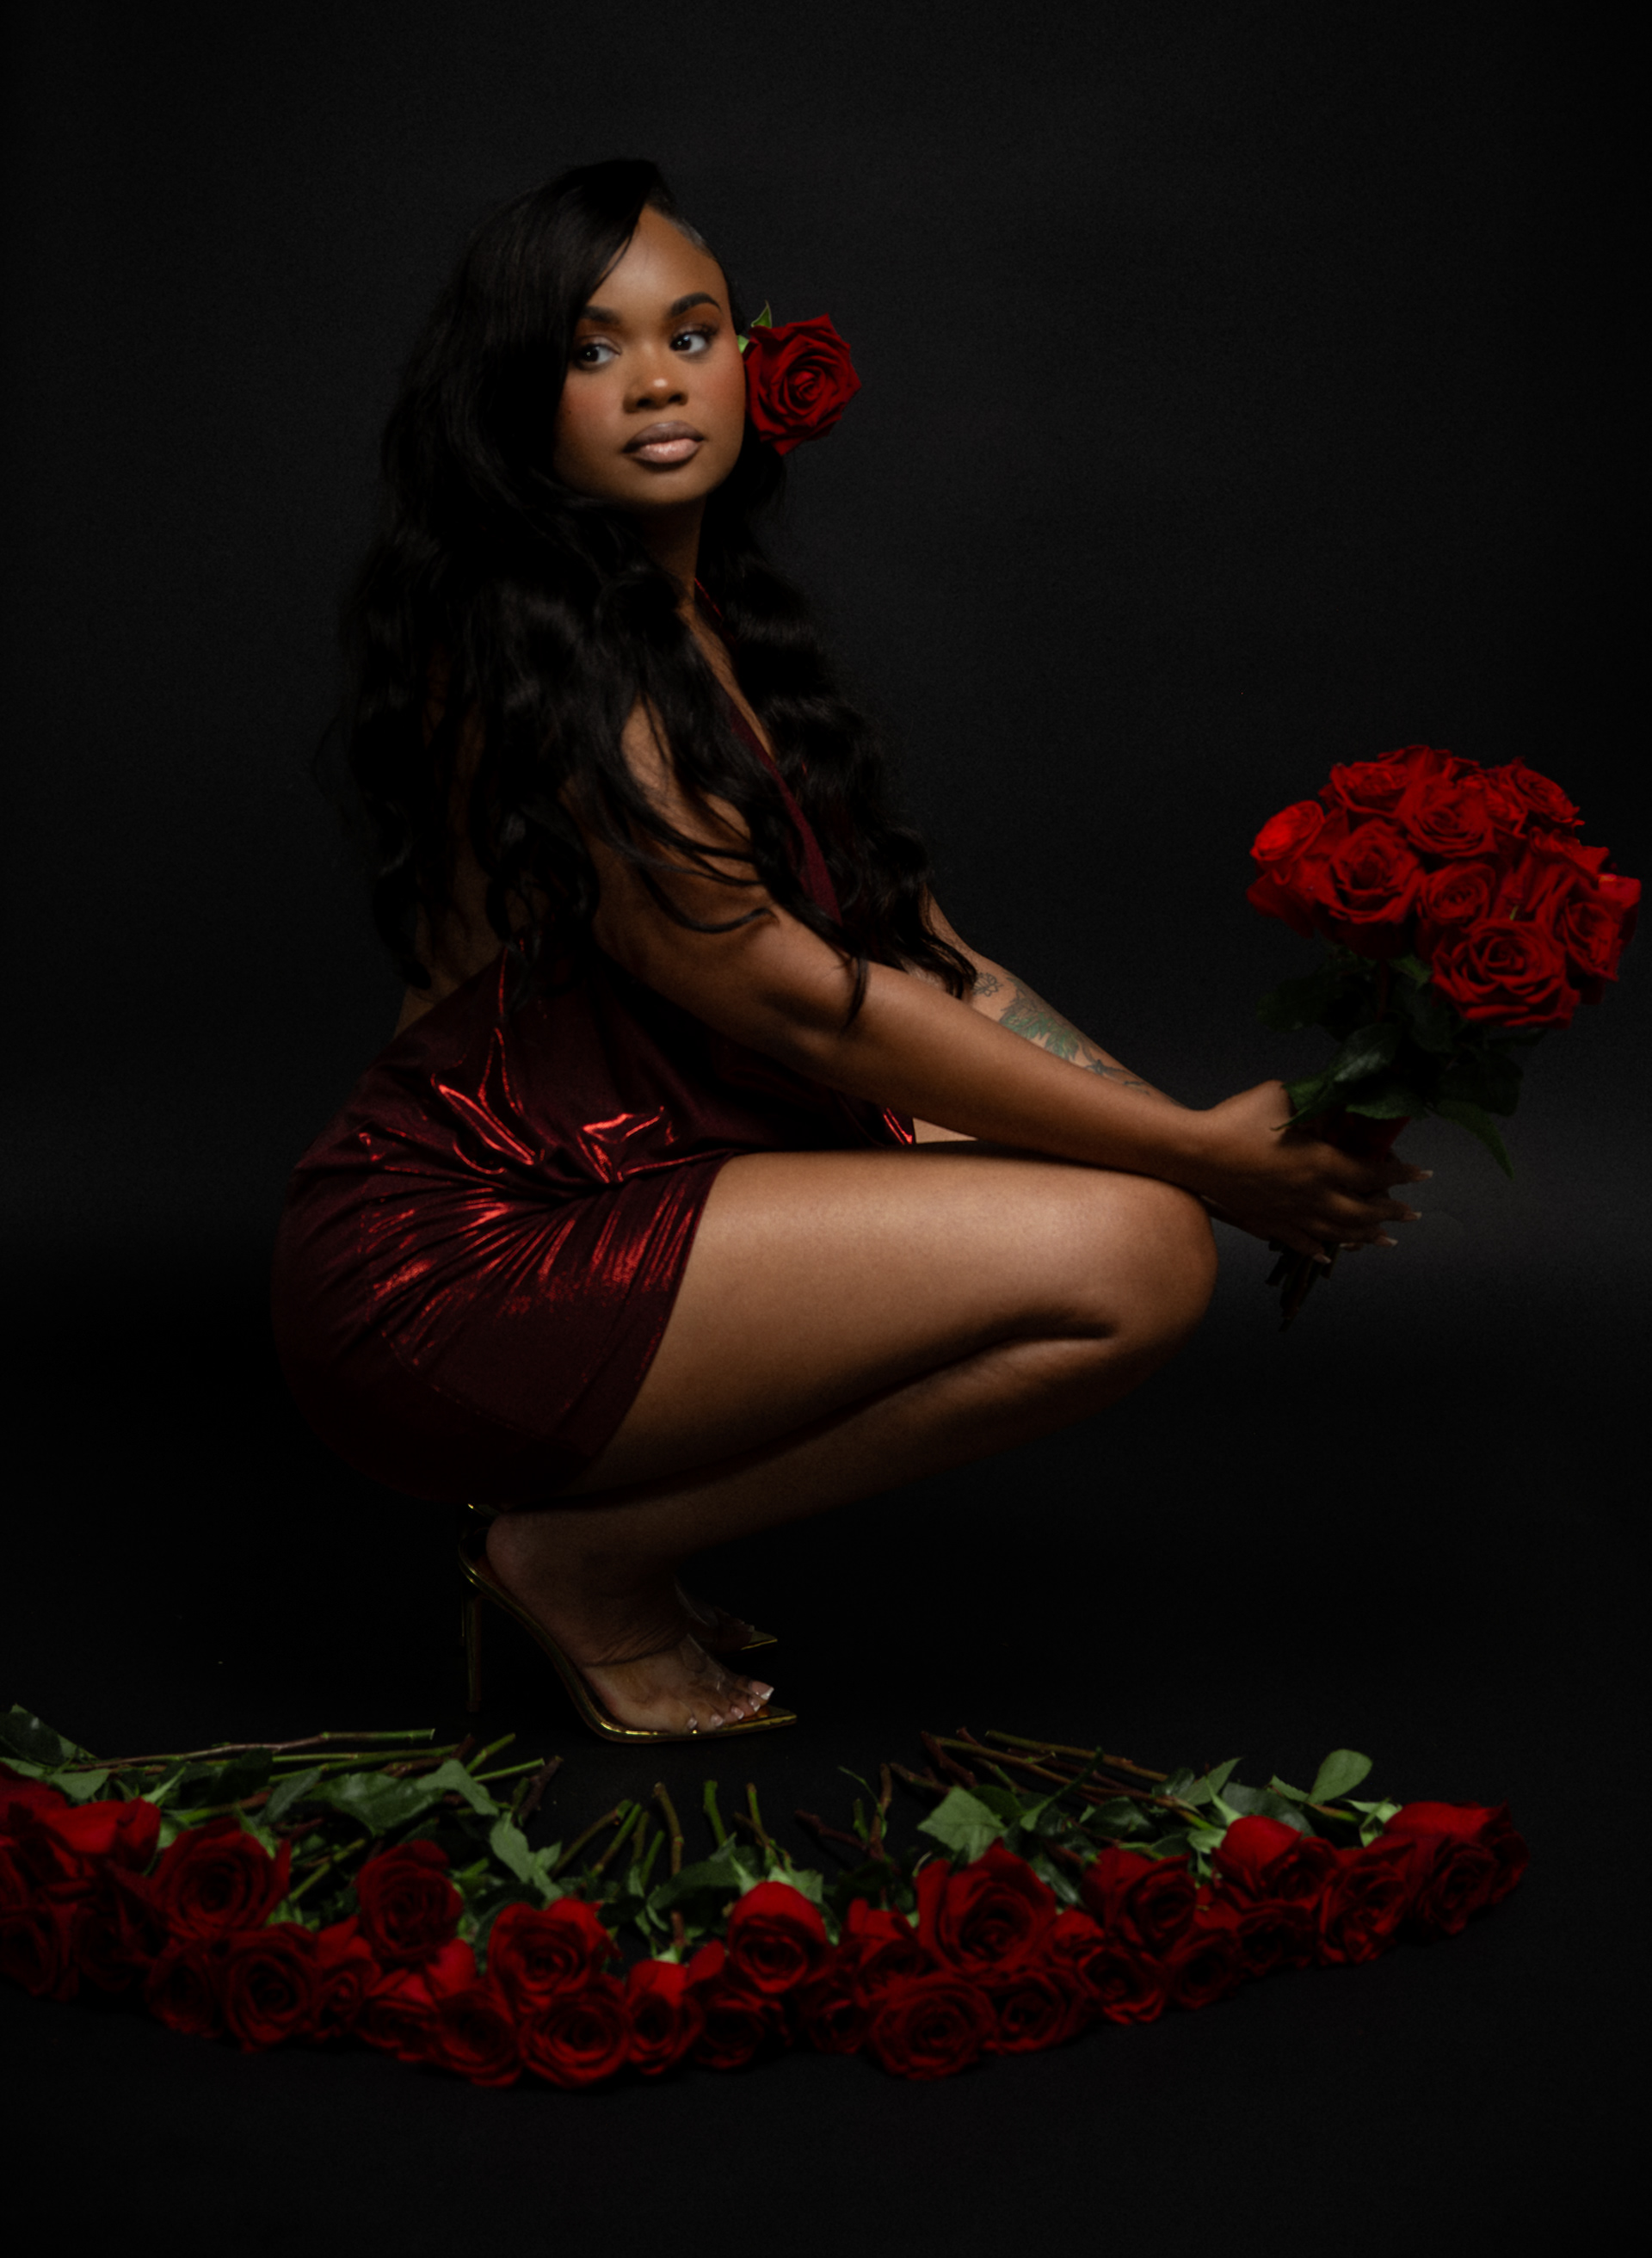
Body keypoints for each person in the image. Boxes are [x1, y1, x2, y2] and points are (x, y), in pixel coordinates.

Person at [270, 159, 1421, 1742]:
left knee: (1143, 1213)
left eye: (691, 332)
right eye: (593, 349)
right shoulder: (551, 670)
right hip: (454, 1264)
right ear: (516, 401)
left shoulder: (711, 629)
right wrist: (1199, 1169)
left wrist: (1208, 1141)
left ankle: (594, 1547)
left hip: (623, 1186)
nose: (658, 379)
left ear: (751, 360)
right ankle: (589, 1558)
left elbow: (934, 964)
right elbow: (807, 1011)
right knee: (1140, 1254)